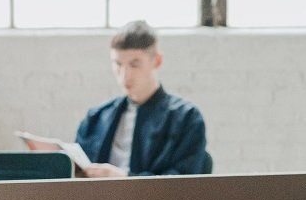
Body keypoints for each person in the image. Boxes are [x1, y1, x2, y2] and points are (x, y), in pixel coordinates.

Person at [74, 21, 210, 177]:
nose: (125, 75)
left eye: (134, 64)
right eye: (118, 64)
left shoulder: (186, 118)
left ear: (157, 61)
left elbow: (183, 184)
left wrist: (124, 180)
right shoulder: (96, 118)